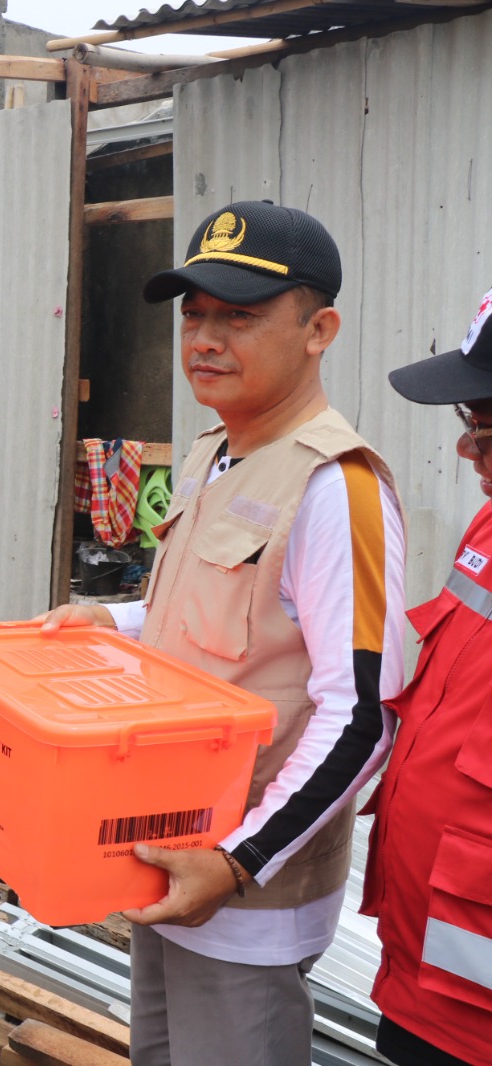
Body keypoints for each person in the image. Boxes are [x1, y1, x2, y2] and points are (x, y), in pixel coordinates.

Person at [39, 200, 407, 1066]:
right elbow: (214, 615)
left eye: (239, 316)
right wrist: (111, 618)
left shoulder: (335, 489)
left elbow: (361, 714)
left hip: (246, 890)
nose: (204, 337)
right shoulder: (212, 452)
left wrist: (238, 863)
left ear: (320, 329)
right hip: (167, 850)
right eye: (193, 313)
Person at [361, 286, 492, 1066]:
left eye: (485, 426)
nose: (466, 450)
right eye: (469, 423)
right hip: (425, 966)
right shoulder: (488, 522)